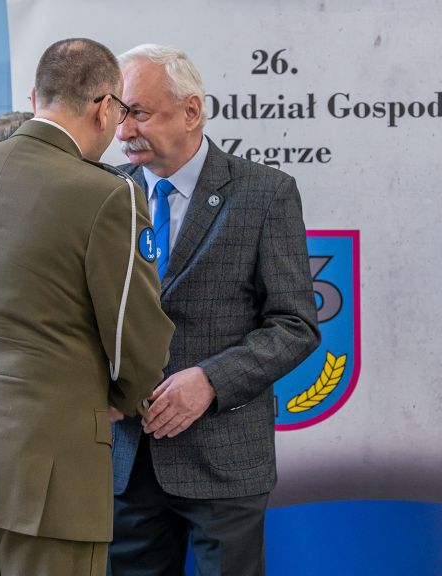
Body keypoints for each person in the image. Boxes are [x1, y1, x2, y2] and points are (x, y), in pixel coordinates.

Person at [0, 38, 174, 576]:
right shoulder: (108, 193)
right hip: (48, 465)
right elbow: (133, 337)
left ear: (34, 97)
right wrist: (123, 397)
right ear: (105, 107)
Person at [108, 44, 321, 576]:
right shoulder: (104, 192)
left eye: (139, 112)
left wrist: (210, 380)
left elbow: (294, 325)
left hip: (224, 458)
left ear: (192, 111)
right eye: (118, 112)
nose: (123, 130)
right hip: (125, 458)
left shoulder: (265, 193)